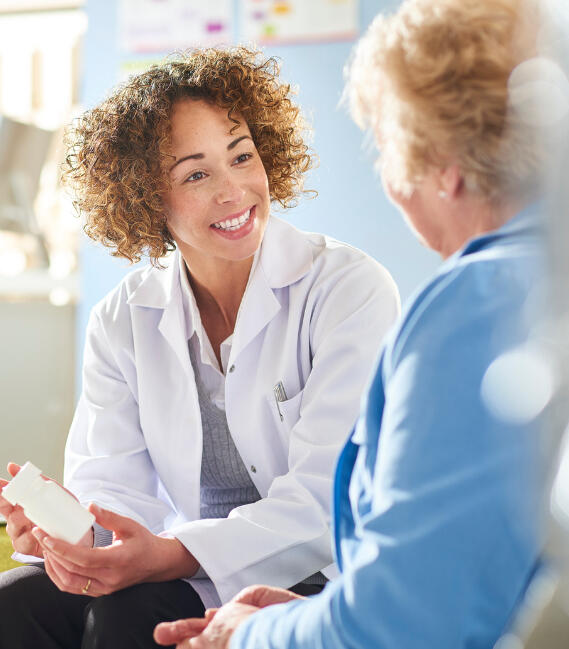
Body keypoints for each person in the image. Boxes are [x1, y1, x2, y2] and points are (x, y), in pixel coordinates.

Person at [0, 47, 400, 649]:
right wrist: (70, 534)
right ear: (147, 198)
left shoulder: (347, 289)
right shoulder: (123, 317)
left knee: (137, 611)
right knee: (11, 603)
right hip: (185, 568)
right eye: (196, 174)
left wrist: (170, 555)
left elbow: (324, 501)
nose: (234, 191)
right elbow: (111, 489)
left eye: (243, 156)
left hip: (316, 574)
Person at [153, 1, 547, 647]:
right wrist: (317, 610)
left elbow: (399, 623)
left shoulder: (476, 303)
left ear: (444, 168)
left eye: (389, 147)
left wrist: (252, 634)